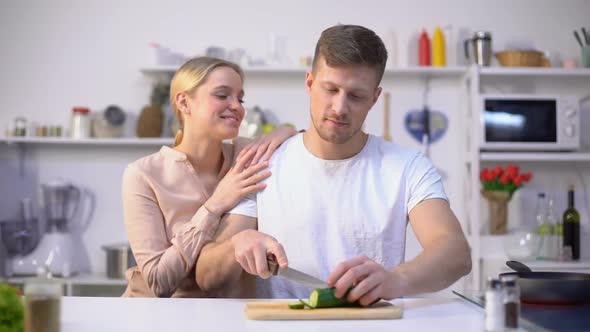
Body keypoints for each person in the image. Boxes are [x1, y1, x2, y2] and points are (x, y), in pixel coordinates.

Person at [196, 24, 472, 306]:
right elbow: (206, 276)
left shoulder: (408, 167)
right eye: (330, 89)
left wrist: (397, 279)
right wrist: (236, 245)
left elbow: (455, 253)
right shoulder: (265, 163)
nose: (340, 107)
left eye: (356, 96)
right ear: (309, 83)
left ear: (374, 99)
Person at [121, 56, 297, 298]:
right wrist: (214, 205)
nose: (237, 106)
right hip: (161, 319)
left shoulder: (246, 155)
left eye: (240, 97)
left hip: (233, 317)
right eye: (222, 95)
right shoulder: (143, 174)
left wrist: (285, 132)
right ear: (184, 102)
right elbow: (158, 281)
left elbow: (304, 144)